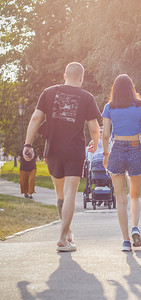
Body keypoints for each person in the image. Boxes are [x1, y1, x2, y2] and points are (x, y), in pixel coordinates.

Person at [22, 62, 101, 252]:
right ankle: (62, 238)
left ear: (64, 75)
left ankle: (67, 233)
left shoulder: (48, 93)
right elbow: (93, 128)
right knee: (70, 194)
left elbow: (35, 118)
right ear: (81, 78)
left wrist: (27, 144)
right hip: (74, 151)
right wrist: (95, 143)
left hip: (53, 151)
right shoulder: (87, 97)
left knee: (60, 195)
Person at [102, 74, 141, 252]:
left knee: (120, 198)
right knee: (135, 195)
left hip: (117, 150)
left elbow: (106, 134)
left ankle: (125, 241)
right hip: (136, 147)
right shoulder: (140, 105)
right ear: (132, 87)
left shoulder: (109, 107)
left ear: (114, 89)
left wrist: (106, 155)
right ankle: (135, 227)